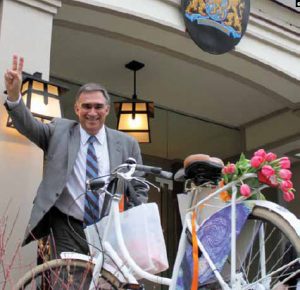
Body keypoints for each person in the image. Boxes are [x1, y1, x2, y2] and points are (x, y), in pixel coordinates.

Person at [4, 55, 148, 258]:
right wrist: (14, 96)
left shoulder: (126, 144)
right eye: (86, 106)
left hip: (108, 228)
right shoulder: (59, 132)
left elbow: (139, 187)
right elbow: (30, 127)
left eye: (98, 106)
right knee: (67, 281)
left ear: (107, 109)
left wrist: (131, 224)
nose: (92, 112)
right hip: (67, 226)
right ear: (76, 109)